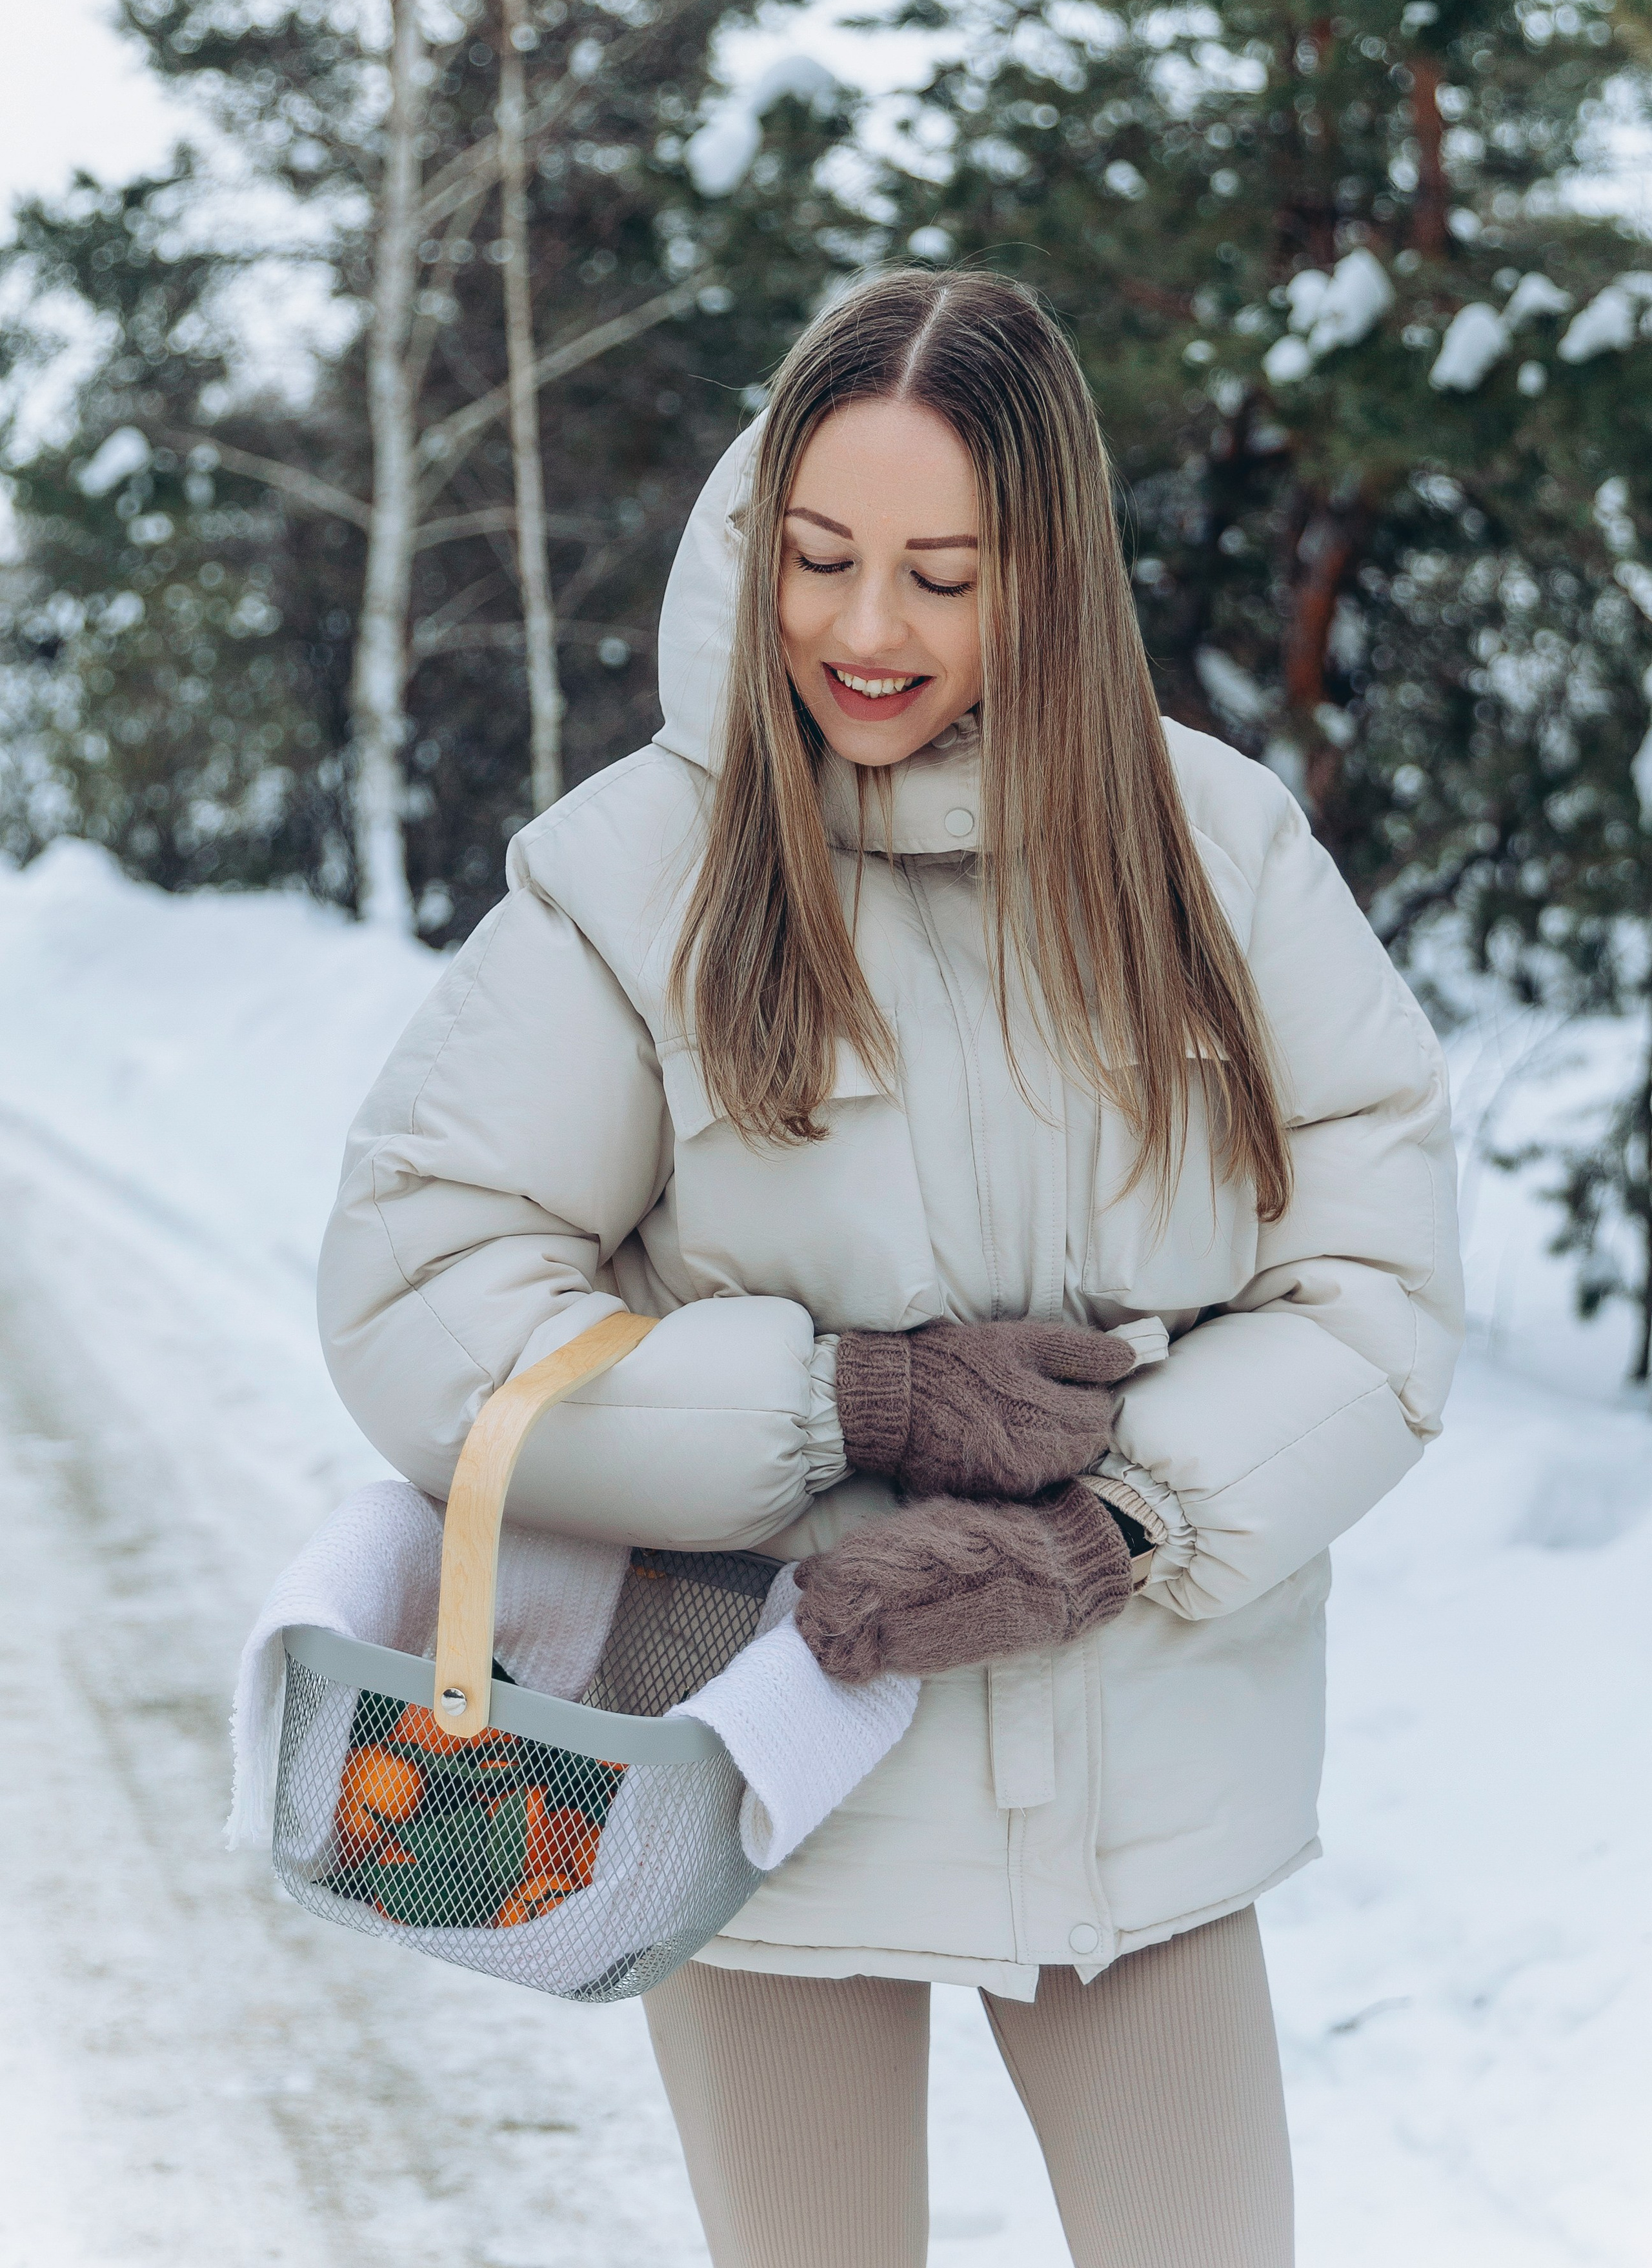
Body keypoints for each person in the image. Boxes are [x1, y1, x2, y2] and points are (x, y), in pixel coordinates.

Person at [317, 268, 1462, 2268]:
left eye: (941, 575)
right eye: (821, 559)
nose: (865, 631)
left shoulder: (1219, 851)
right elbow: (421, 1286)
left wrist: (1120, 1524)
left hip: (1143, 1786)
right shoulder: (640, 874)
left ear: (1049, 572)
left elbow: (1374, 1275)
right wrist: (845, 1404)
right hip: (765, 1787)